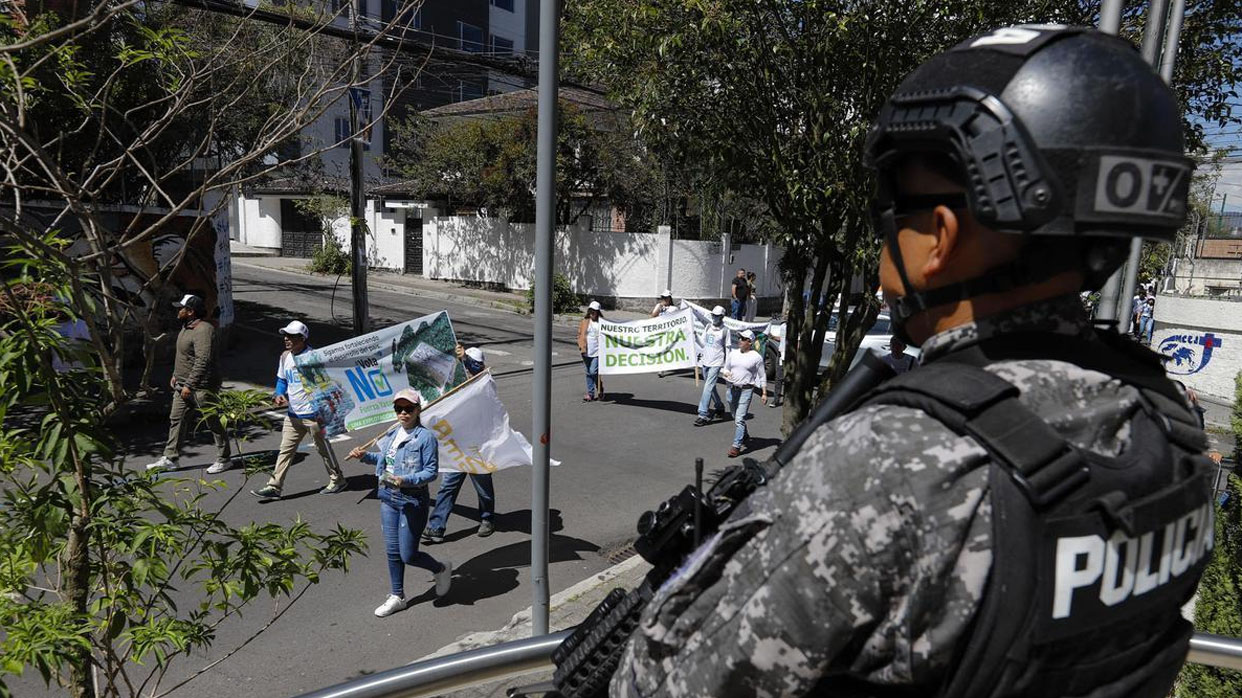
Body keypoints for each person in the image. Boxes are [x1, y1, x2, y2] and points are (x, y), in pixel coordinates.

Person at [611, 26, 1215, 698]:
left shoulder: (893, 460)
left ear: (941, 240)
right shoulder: (1167, 419)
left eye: (895, 208)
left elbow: (661, 683)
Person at [347, 389, 453, 618]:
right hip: (387, 496)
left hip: (412, 499)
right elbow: (386, 461)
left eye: (408, 409)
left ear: (418, 410)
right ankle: (397, 596)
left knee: (408, 554)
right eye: (399, 409)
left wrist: (406, 480)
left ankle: (440, 569)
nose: (403, 413)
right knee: (392, 551)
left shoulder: (425, 438)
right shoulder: (393, 433)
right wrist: (364, 456)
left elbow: (431, 472)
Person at [250, 321, 347, 500]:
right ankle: (274, 486)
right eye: (285, 335)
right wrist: (278, 393)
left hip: (313, 416)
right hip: (293, 415)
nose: (286, 339)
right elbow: (282, 380)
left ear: (302, 338)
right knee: (285, 451)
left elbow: (328, 384)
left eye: (291, 336)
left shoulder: (314, 357)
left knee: (323, 450)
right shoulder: (285, 356)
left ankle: (338, 479)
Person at [146, 294, 231, 473]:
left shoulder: (203, 330)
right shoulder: (187, 327)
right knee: (176, 419)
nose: (178, 310)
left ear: (191, 311)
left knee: (212, 421)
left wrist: (189, 385)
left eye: (181, 308)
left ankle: (224, 458)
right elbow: (185, 356)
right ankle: (170, 458)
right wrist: (176, 375)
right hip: (182, 384)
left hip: (202, 386)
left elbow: (203, 360)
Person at [423, 344, 496, 543]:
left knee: (483, 488)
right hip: (457, 445)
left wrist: (465, 358)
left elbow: (479, 374)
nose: (471, 370)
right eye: (470, 366)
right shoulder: (457, 385)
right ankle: (436, 527)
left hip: (477, 448)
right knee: (447, 486)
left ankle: (487, 518)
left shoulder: (486, 381)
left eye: (475, 366)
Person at [720, 329, 766, 457]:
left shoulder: (756, 357)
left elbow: (762, 376)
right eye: (739, 338)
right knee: (735, 416)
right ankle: (744, 434)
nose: (739, 341)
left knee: (739, 419)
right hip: (731, 388)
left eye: (742, 339)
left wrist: (764, 392)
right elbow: (726, 368)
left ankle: (736, 446)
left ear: (749, 342)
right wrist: (726, 373)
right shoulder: (733, 354)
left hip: (746, 390)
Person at [693, 305, 728, 426]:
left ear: (722, 317)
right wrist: (695, 336)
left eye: (717, 316)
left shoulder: (725, 331)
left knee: (707, 387)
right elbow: (703, 343)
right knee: (711, 387)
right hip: (705, 361)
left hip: (716, 363)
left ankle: (703, 414)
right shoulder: (708, 327)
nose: (714, 318)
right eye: (713, 315)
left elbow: (727, 349)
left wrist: (726, 367)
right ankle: (719, 406)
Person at [578, 300, 604, 402]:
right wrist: (581, 346)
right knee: (588, 372)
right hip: (586, 351)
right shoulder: (585, 322)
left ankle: (600, 389)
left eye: (595, 311)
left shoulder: (602, 323)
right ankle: (590, 394)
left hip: (597, 352)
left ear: (598, 312)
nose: (592, 313)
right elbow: (580, 334)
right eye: (591, 311)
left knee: (593, 371)